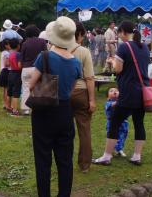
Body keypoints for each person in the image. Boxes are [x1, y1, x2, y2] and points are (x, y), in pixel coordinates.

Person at [28, 16, 82, 197]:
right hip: (65, 112)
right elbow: (73, 88)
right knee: (65, 160)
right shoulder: (76, 62)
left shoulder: (44, 57)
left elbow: (31, 84)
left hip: (44, 111)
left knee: (43, 159)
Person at [94, 21, 149, 166]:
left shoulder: (124, 47)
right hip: (142, 91)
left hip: (128, 91)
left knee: (114, 122)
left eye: (119, 33)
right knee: (139, 123)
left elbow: (118, 69)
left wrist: (112, 62)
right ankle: (137, 156)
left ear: (123, 32)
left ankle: (107, 156)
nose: (118, 36)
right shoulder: (144, 47)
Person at [69, 21, 96, 173]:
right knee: (84, 130)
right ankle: (84, 164)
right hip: (80, 92)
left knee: (64, 130)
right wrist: (92, 100)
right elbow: (90, 78)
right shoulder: (84, 51)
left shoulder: (54, 48)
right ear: (79, 34)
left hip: (62, 93)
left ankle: (64, 160)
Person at [19, 25, 47, 116]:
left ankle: (25, 109)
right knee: (39, 88)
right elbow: (45, 55)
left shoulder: (24, 43)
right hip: (38, 68)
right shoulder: (42, 42)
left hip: (26, 68)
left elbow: (21, 59)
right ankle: (39, 108)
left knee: (26, 89)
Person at [104, 88, 128, 157]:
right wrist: (120, 99)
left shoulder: (121, 102)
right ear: (108, 96)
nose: (114, 91)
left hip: (123, 123)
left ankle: (119, 149)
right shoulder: (108, 103)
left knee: (122, 136)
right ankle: (111, 150)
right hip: (111, 123)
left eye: (116, 90)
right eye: (111, 91)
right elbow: (113, 105)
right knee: (112, 136)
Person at [7, 39, 22, 116]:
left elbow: (8, 64)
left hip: (11, 73)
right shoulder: (18, 54)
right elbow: (19, 66)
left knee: (9, 92)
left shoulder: (10, 54)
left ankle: (9, 107)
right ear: (18, 46)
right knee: (16, 93)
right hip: (17, 74)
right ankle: (15, 110)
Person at [0, 40, 11, 111]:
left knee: (5, 89)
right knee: (7, 89)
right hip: (7, 71)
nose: (10, 46)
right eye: (9, 44)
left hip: (3, 71)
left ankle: (5, 104)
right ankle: (7, 105)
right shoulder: (7, 53)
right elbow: (7, 64)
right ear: (6, 45)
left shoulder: (3, 52)